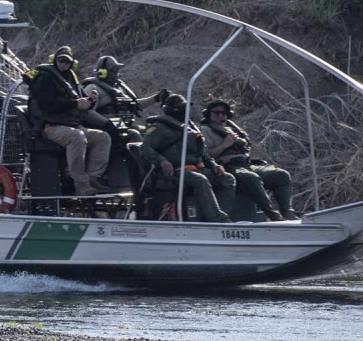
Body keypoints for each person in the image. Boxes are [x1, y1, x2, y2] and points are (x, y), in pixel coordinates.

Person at [27, 46, 112, 195]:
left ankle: (93, 178)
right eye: (61, 60)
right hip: (50, 127)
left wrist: (90, 100)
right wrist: (75, 103)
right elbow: (49, 105)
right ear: (55, 60)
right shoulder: (45, 78)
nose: (63, 64)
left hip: (71, 125)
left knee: (102, 137)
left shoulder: (70, 77)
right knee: (77, 137)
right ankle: (81, 184)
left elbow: (81, 102)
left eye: (67, 62)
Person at [141, 93, 236, 223]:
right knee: (200, 180)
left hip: (195, 168)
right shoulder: (158, 128)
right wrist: (162, 161)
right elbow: (145, 148)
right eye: (182, 109)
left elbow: (203, 152)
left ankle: (221, 216)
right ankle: (217, 219)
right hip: (175, 171)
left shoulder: (188, 129)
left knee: (227, 179)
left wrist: (214, 165)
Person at [200, 99, 299, 221]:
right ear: (208, 114)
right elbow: (206, 155)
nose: (221, 116)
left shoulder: (232, 128)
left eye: (224, 113)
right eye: (217, 113)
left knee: (281, 175)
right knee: (252, 178)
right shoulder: (205, 130)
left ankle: (287, 211)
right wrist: (224, 145)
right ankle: (273, 215)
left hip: (246, 165)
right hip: (226, 167)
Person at [82, 55, 169, 142]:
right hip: (105, 130)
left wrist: (156, 98)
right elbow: (87, 112)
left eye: (117, 70)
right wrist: (107, 123)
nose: (117, 73)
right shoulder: (93, 88)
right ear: (103, 72)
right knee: (135, 135)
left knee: (153, 132)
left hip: (124, 127)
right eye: (114, 70)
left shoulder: (119, 87)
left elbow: (133, 105)